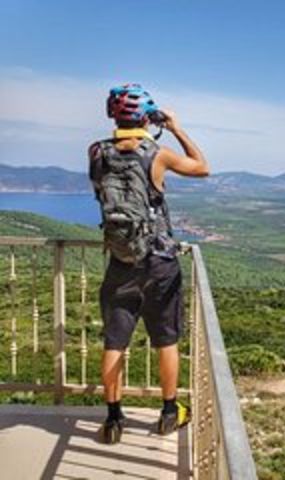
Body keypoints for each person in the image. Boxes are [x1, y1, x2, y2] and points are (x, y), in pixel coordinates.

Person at [88, 84, 209, 444]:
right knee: (165, 340)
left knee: (115, 342)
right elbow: (202, 168)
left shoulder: (96, 152)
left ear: (113, 115)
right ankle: (170, 412)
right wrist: (175, 127)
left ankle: (112, 420)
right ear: (147, 116)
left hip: (120, 259)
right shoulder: (157, 154)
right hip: (159, 261)